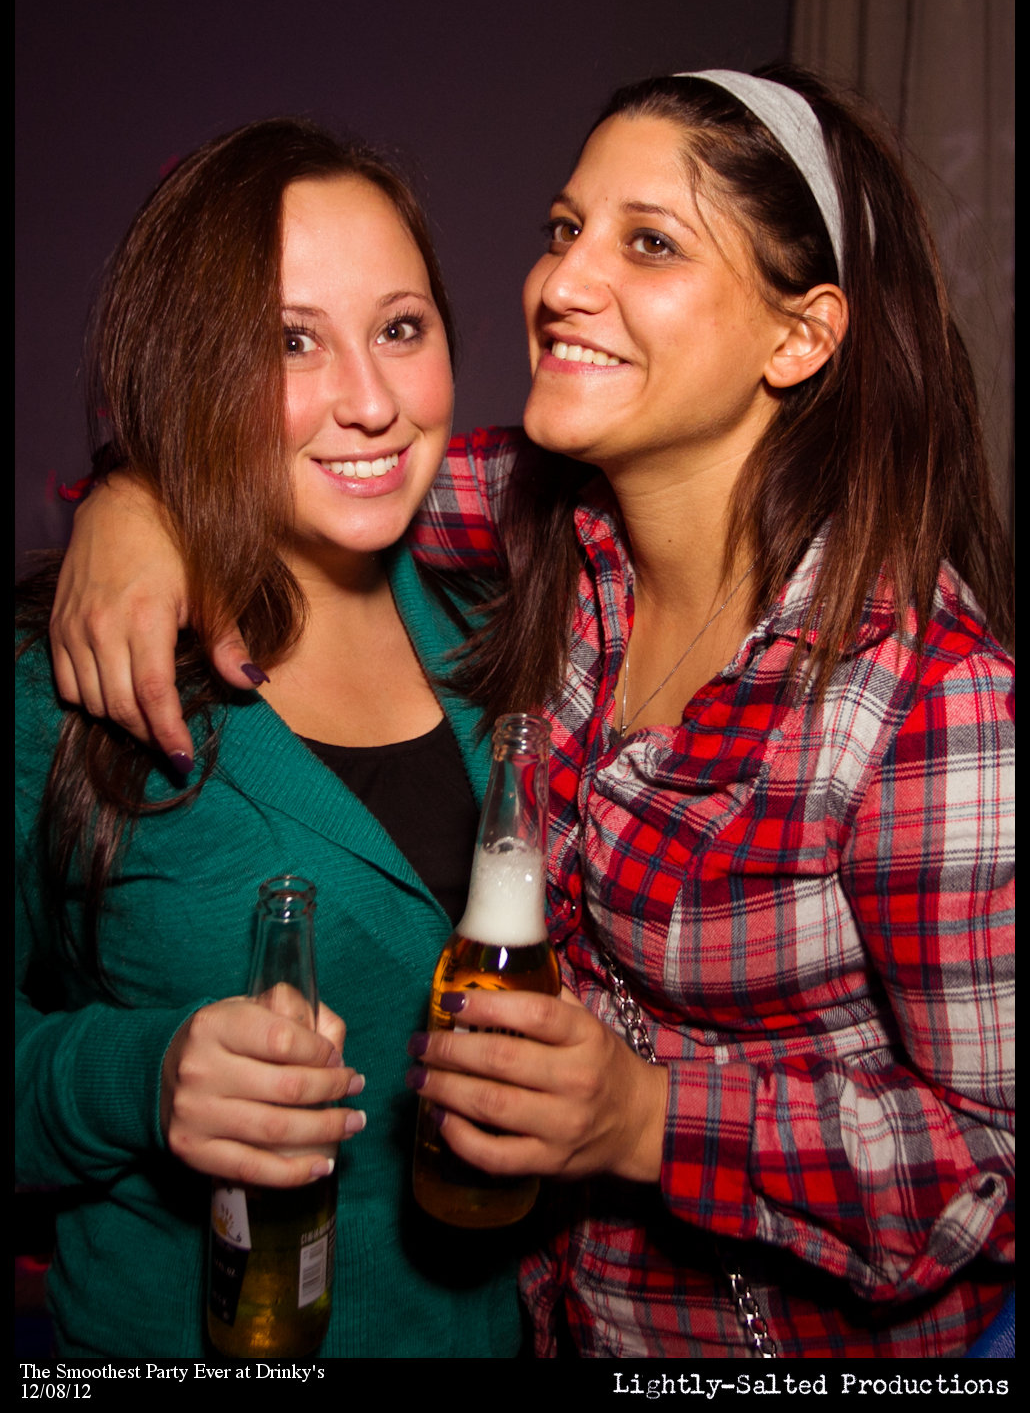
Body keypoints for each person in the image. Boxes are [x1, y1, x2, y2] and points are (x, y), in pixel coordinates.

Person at [46, 67, 1014, 1358]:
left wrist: (651, 1119)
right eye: (566, 227)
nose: (560, 282)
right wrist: (130, 505)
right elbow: (311, 454)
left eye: (648, 242)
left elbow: (995, 1160)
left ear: (798, 338)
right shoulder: (550, 531)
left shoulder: (927, 697)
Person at [16, 119, 522, 1358]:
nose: (370, 401)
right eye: (290, 342)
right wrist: (144, 1078)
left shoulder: (504, 627)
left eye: (400, 328)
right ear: (190, 368)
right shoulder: (67, 676)